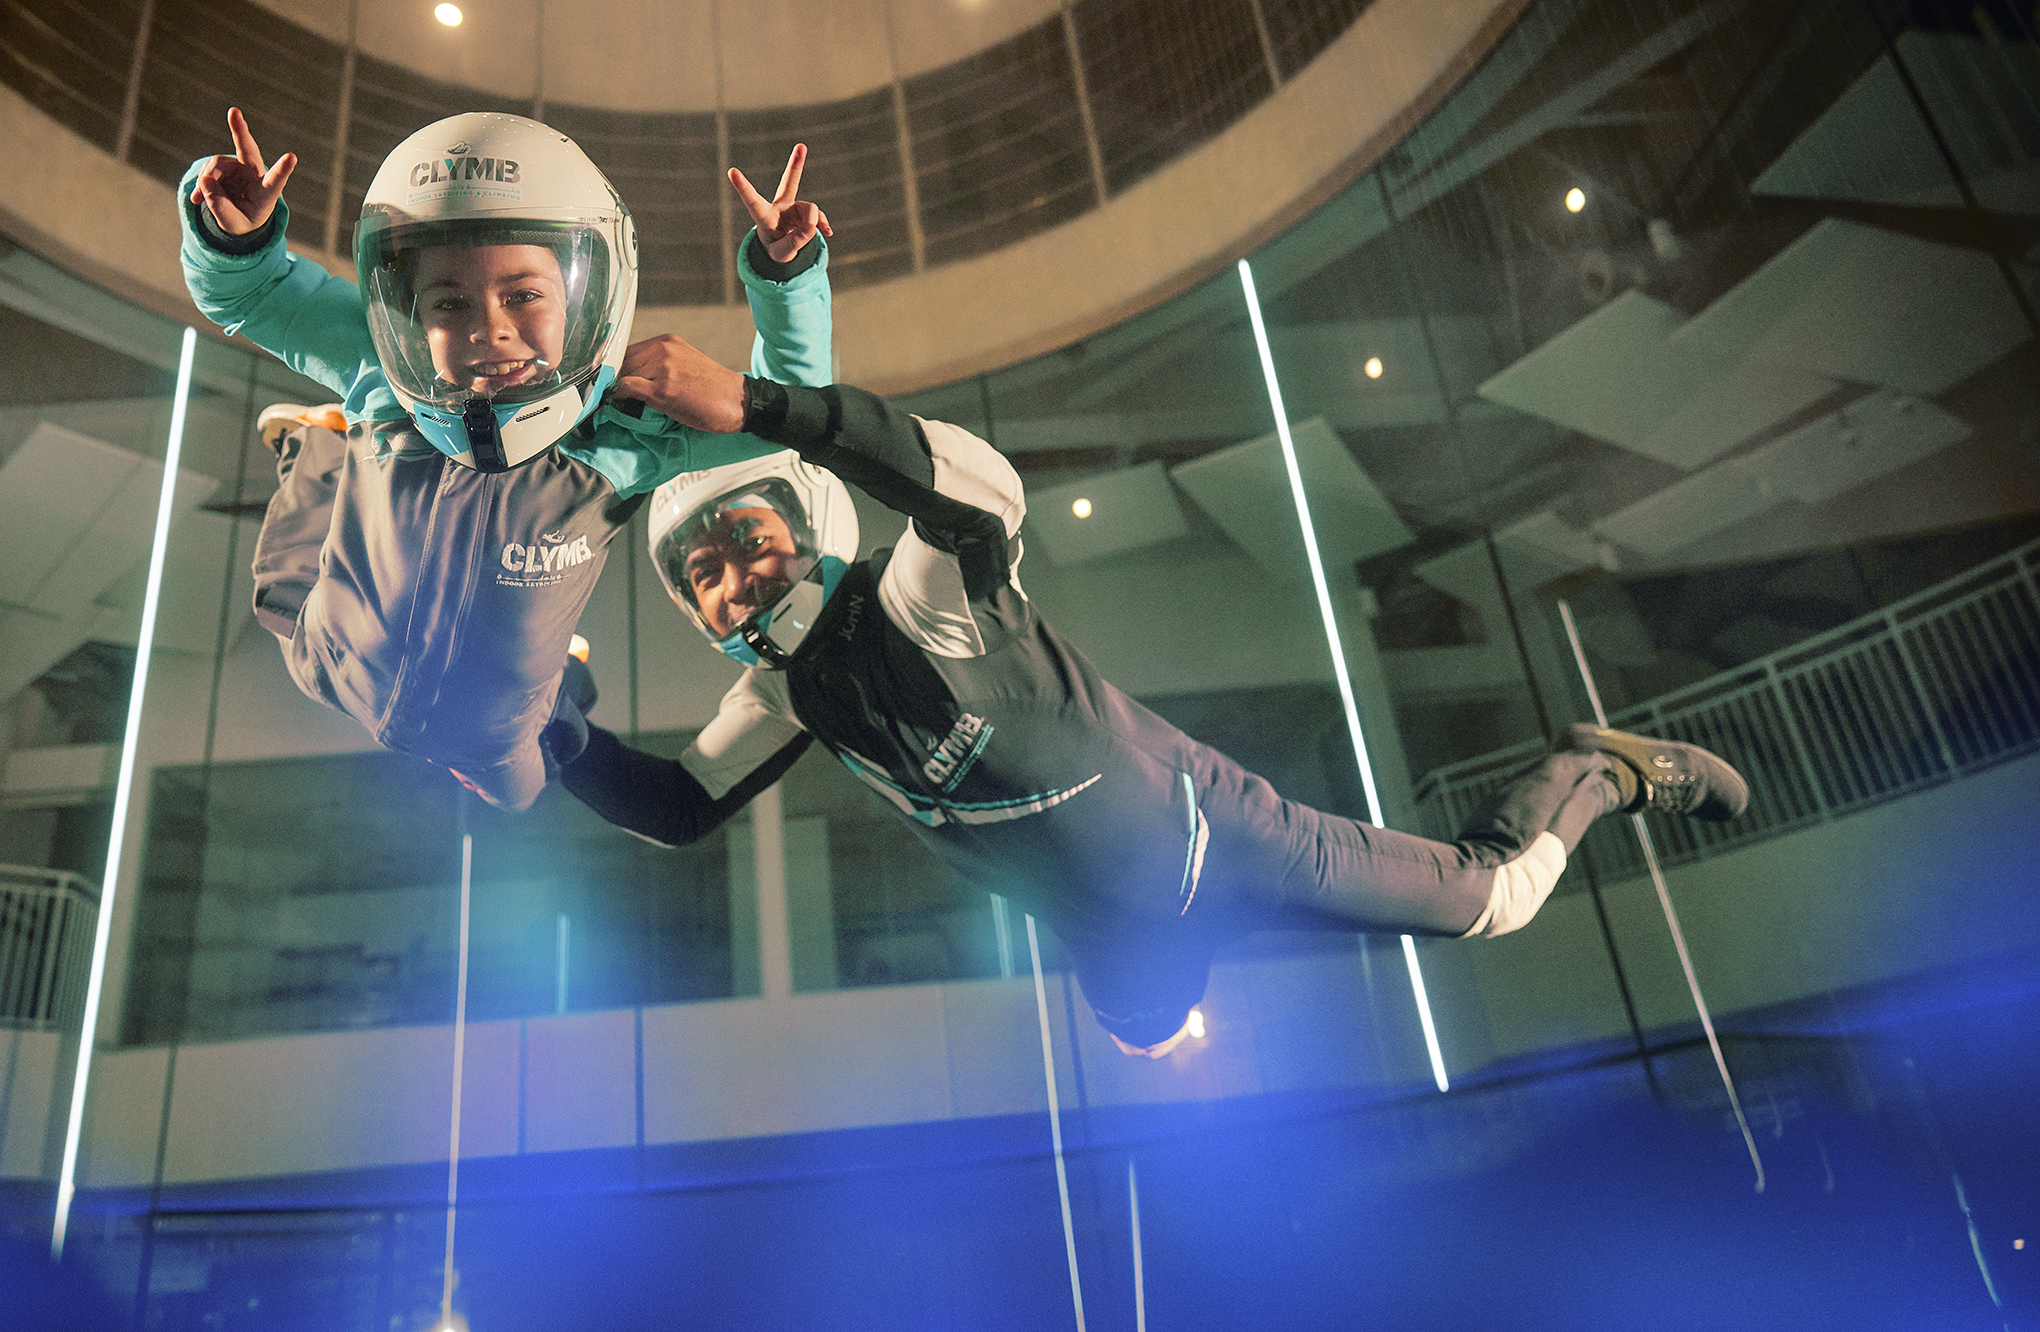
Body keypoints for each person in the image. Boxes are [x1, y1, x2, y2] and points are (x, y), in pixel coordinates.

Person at [552, 339, 1753, 1057]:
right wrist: (542, 727)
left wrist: (766, 409)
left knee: (1499, 903)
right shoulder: (780, 699)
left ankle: (1609, 768)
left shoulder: (920, 594)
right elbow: (674, 805)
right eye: (700, 576)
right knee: (1138, 1032)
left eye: (744, 542)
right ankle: (1159, 1020)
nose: (730, 579)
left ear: (805, 522)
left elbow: (980, 493)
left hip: (1235, 848)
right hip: (1119, 933)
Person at [182, 107, 836, 810]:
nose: (488, 327)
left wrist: (787, 276)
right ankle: (310, 446)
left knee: (521, 794)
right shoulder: (383, 371)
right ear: (406, 313)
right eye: (449, 302)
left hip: (488, 729)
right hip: (332, 654)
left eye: (522, 295)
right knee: (280, 592)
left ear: (586, 302)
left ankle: (323, 445)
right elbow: (251, 291)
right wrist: (229, 234)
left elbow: (790, 415)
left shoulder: (620, 438)